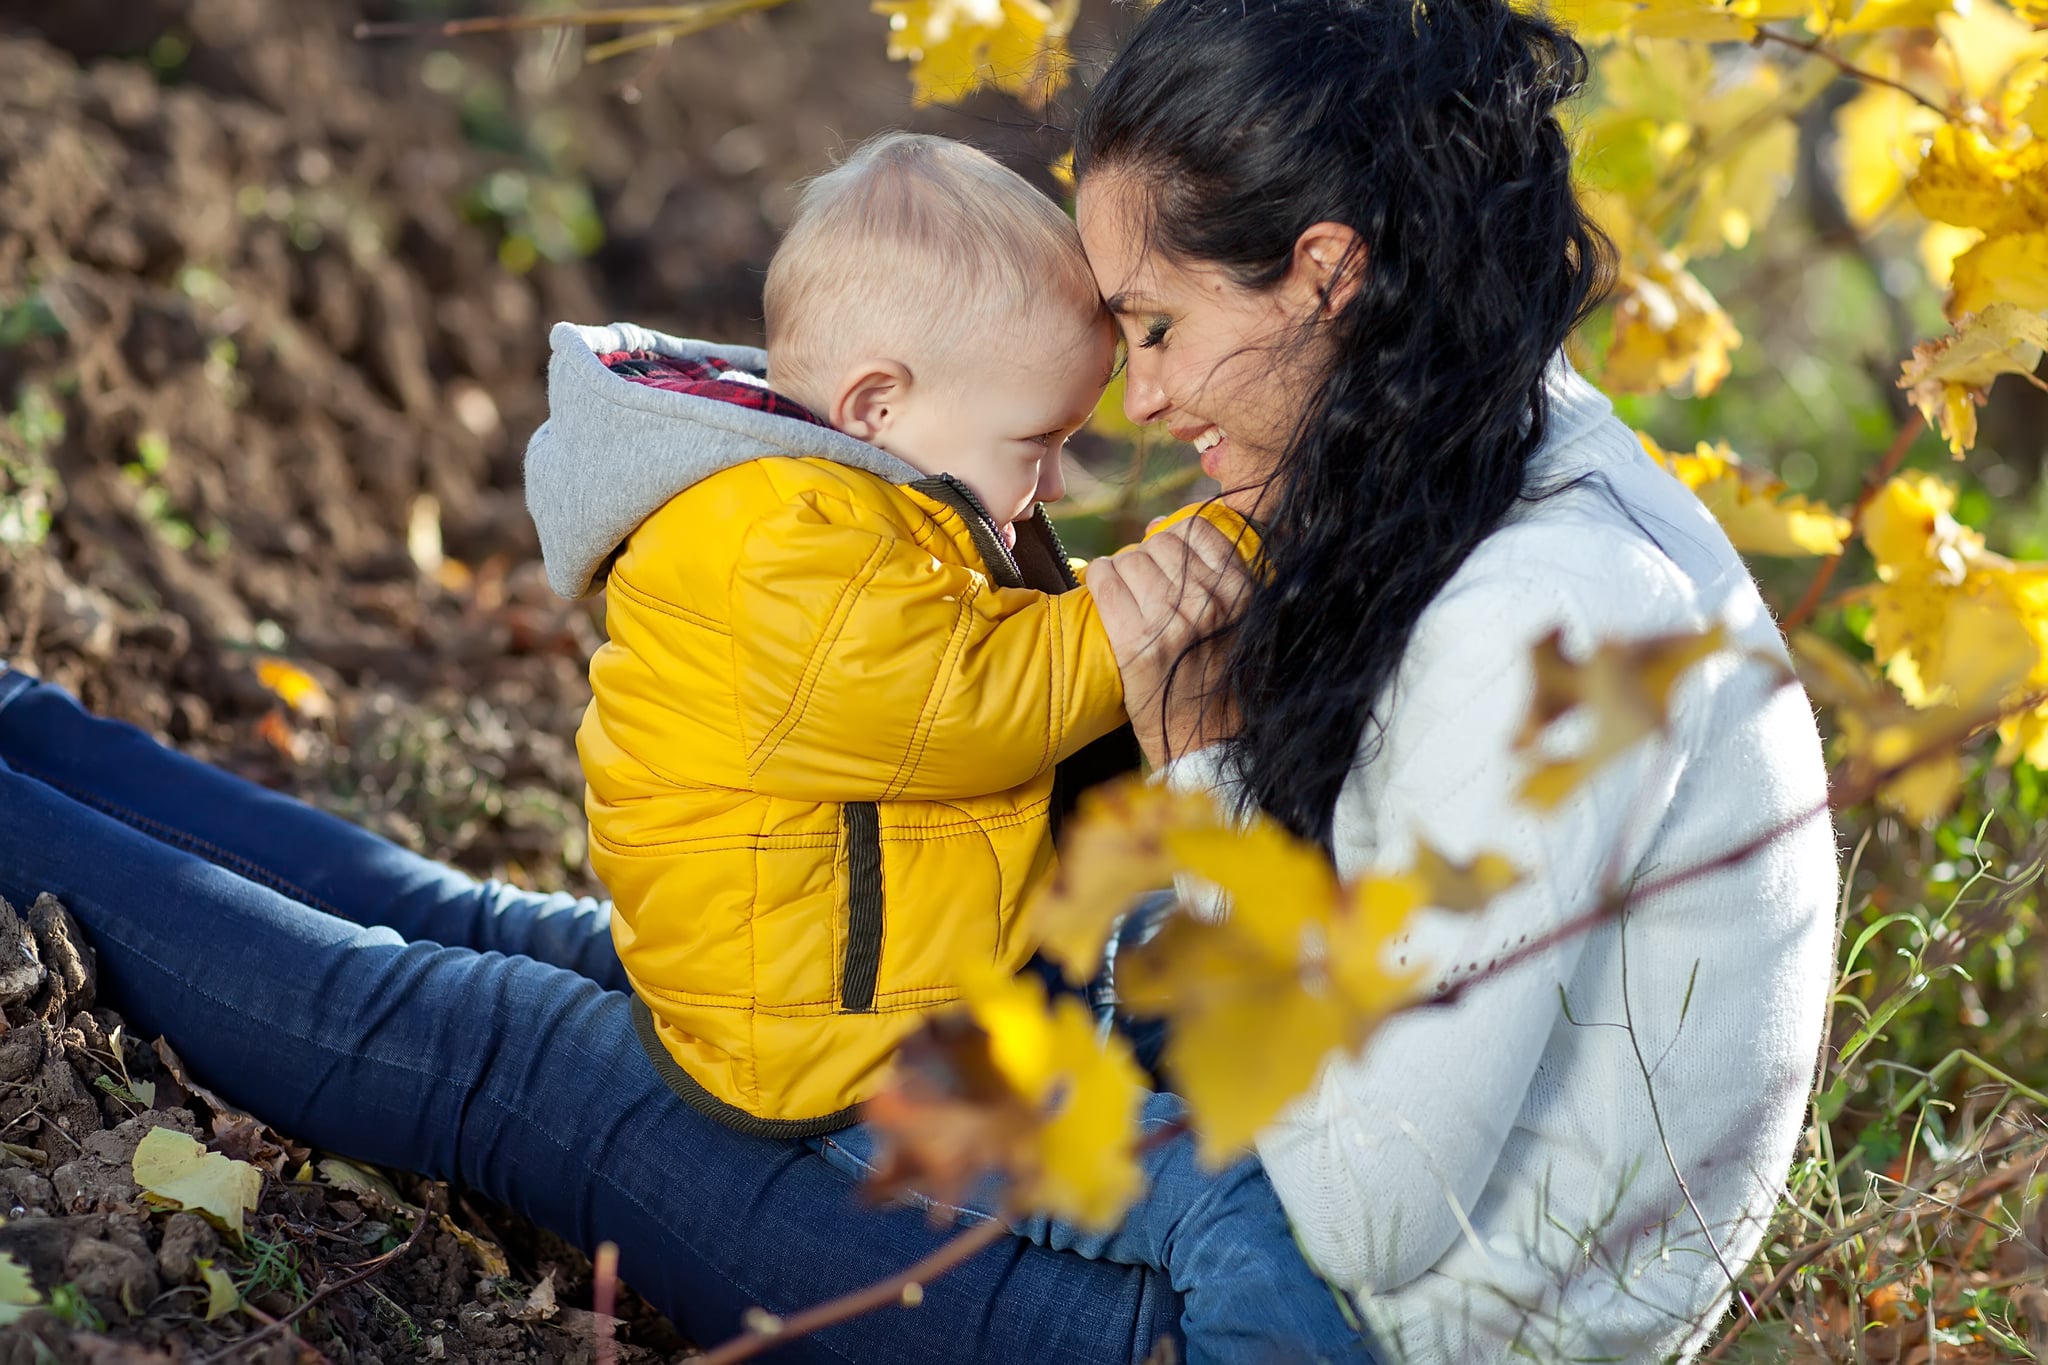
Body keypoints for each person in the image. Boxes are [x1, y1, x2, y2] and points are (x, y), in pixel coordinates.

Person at [0, 0, 1840, 1362]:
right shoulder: (1497, 456)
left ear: (1326, 275)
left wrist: (1191, 784)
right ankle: (30, 742)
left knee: (493, 1044)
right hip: (1201, 1136)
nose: (1134, 398)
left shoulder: (1544, 623)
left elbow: (1349, 1207)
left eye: (1154, 326)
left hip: (1294, 1319)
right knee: (539, 942)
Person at [524, 130, 1360, 1362]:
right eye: (1036, 443)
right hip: (862, 1058)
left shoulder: (866, 508)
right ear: (877, 402)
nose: (1057, 480)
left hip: (932, 981)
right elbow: (971, 710)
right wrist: (1202, 565)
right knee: (1223, 1202)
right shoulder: (771, 543)